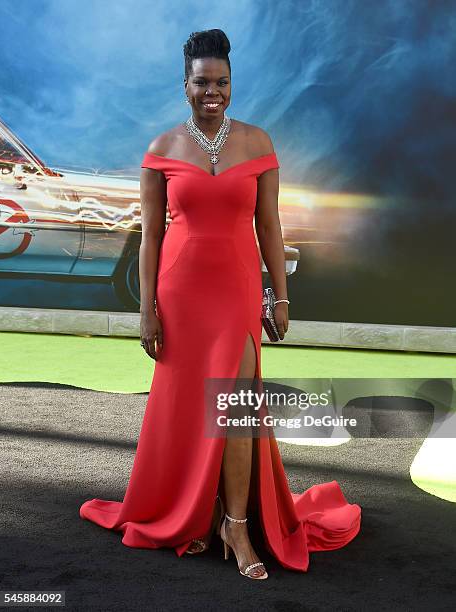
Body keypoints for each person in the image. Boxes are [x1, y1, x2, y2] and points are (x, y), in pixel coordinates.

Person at [79, 28, 361, 580]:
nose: (213, 92)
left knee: (235, 409)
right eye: (202, 83)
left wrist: (280, 295)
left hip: (235, 292)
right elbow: (152, 238)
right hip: (179, 296)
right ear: (185, 85)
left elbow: (271, 226)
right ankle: (198, 513)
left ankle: (235, 523)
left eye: (222, 83)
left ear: (232, 84)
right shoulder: (161, 149)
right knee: (190, 410)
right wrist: (147, 309)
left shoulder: (258, 144)